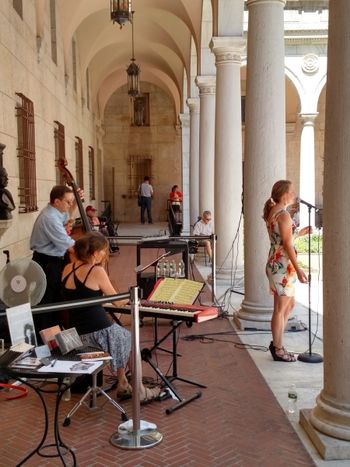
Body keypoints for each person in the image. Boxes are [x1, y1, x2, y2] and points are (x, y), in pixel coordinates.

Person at [61, 232, 160, 402]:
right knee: (131, 339)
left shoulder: (69, 268)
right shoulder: (96, 270)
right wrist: (133, 295)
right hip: (94, 333)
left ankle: (123, 383)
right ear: (94, 253)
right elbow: (119, 303)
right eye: (104, 251)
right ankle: (140, 391)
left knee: (120, 335)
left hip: (74, 333)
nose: (105, 255)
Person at [263, 180, 311, 362]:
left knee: (288, 306)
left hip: (278, 263)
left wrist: (299, 233)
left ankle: (277, 341)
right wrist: (299, 269)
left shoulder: (274, 212)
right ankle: (278, 348)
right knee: (280, 308)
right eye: (292, 191)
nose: (295, 193)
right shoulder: (284, 215)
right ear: (284, 194)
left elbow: (281, 239)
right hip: (282, 266)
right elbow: (287, 244)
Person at [30, 185, 81, 330]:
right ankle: (44, 337)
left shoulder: (57, 211)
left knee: (56, 298)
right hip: (47, 262)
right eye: (68, 202)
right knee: (47, 300)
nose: (70, 205)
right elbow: (69, 245)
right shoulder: (50, 218)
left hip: (53, 260)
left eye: (71, 201)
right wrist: (90, 250)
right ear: (56, 201)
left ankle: (55, 333)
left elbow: (68, 216)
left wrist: (76, 201)